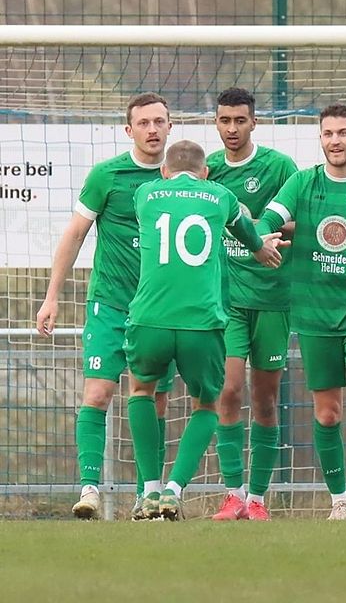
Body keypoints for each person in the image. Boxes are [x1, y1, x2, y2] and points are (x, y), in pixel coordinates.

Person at [124, 140, 284, 521]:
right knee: (207, 405)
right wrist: (260, 249)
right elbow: (245, 231)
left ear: (165, 171)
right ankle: (174, 490)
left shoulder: (145, 194)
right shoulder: (220, 196)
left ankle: (149, 490)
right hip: (201, 321)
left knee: (141, 392)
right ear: (206, 172)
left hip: (150, 317)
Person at [35, 92, 177, 520]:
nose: (152, 129)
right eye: (144, 123)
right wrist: (52, 296)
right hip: (110, 304)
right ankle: (90, 489)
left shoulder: (181, 178)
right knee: (97, 393)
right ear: (129, 130)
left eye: (159, 121)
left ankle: (147, 494)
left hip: (159, 310)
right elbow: (75, 234)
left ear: (171, 127)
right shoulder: (107, 175)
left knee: (153, 402)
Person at [259, 103, 346, 520]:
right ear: (320, 138)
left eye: (343, 133)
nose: (335, 140)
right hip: (315, 314)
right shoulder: (303, 182)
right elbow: (269, 219)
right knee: (327, 413)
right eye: (328, 133)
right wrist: (262, 237)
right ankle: (339, 500)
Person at [206, 88, 298, 522]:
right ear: (216, 122)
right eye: (225, 120)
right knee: (227, 390)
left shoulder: (279, 167)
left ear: (254, 122)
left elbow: (303, 218)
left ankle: (258, 499)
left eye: (240, 120)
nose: (232, 129)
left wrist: (264, 229)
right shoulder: (208, 170)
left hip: (273, 297)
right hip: (228, 300)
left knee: (265, 399)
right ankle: (232, 493)